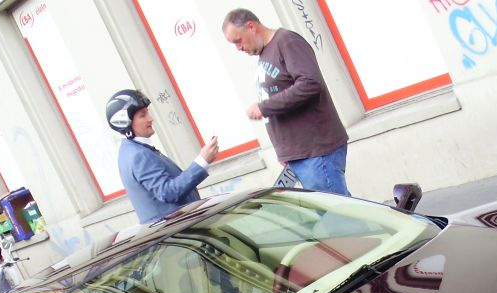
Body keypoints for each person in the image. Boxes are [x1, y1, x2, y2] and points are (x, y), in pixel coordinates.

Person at [222, 8, 350, 196]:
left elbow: (310, 83)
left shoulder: (287, 42)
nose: (238, 48)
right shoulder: (265, 53)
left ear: (251, 26)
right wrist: (285, 152)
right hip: (300, 154)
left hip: (316, 150)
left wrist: (264, 108)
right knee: (341, 214)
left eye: (238, 40)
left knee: (340, 217)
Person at [106, 88, 220, 224]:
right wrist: (202, 161)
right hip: (178, 235)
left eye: (147, 113)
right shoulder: (139, 155)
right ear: (125, 122)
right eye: (143, 115)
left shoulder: (132, 151)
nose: (150, 119)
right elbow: (168, 192)